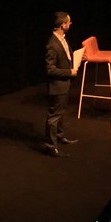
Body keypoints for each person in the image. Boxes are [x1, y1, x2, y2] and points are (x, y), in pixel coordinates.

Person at [42, 11, 79, 157]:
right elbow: (50, 69)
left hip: (64, 85)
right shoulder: (52, 45)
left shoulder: (62, 39)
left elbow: (66, 57)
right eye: (68, 22)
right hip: (57, 86)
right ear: (63, 25)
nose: (70, 24)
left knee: (61, 112)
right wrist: (69, 73)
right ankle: (50, 146)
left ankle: (59, 136)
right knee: (54, 115)